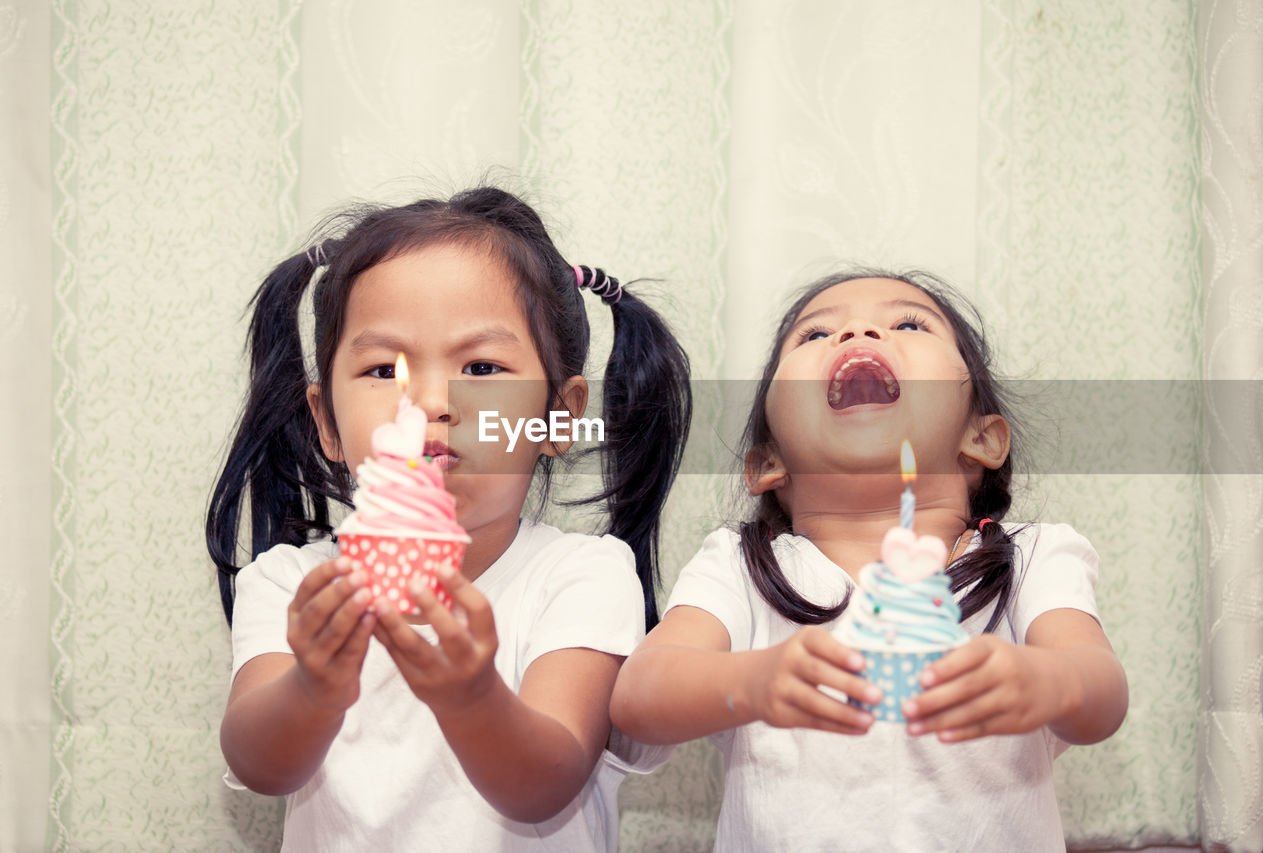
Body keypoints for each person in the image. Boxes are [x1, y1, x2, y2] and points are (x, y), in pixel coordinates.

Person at [205, 186, 691, 851]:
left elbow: (545, 781)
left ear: (559, 413)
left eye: (482, 366)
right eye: (383, 369)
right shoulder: (292, 584)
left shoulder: (582, 577)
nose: (430, 401)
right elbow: (257, 763)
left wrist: (471, 697)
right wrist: (313, 686)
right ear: (327, 421)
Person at [610, 268, 1128, 851]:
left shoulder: (1032, 557)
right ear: (767, 463)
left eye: (908, 323)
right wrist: (749, 681)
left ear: (983, 440)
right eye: (813, 335)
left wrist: (1046, 681)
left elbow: (1102, 695)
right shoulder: (740, 568)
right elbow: (637, 697)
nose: (858, 331)